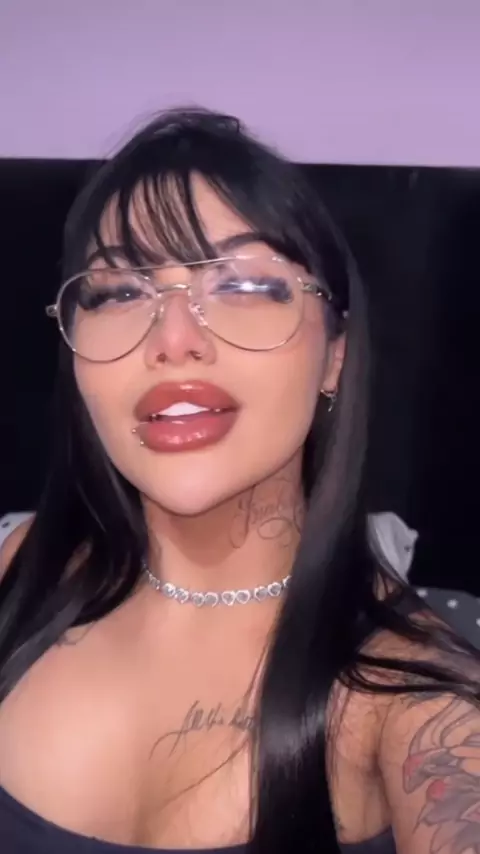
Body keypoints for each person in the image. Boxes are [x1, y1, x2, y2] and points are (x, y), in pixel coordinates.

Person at [0, 108, 479, 854]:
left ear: (334, 356)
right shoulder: (24, 569)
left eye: (247, 285)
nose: (173, 339)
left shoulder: (417, 698)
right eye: (118, 292)